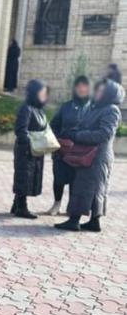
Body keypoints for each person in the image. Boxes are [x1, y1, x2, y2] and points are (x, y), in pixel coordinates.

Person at [55, 79, 125, 232]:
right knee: (89, 187)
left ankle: (74, 220)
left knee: (88, 187)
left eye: (101, 90)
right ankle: (94, 221)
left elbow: (104, 134)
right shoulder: (95, 108)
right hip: (88, 153)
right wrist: (72, 132)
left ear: (109, 93)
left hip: (97, 156)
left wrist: (77, 136)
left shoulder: (111, 110)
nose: (97, 92)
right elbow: (85, 125)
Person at [47, 76, 90, 215]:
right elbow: (53, 125)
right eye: (78, 86)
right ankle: (56, 204)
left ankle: (72, 207)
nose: (81, 89)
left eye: (84, 86)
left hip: (81, 150)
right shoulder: (66, 106)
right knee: (59, 178)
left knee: (76, 181)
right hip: (63, 150)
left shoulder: (92, 108)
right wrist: (59, 140)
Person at [11, 80, 48, 219]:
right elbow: (21, 130)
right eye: (42, 92)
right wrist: (30, 143)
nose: (44, 95)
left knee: (30, 177)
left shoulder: (39, 110)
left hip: (36, 150)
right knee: (24, 177)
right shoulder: (26, 108)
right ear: (34, 93)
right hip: (26, 150)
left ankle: (16, 205)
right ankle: (21, 207)